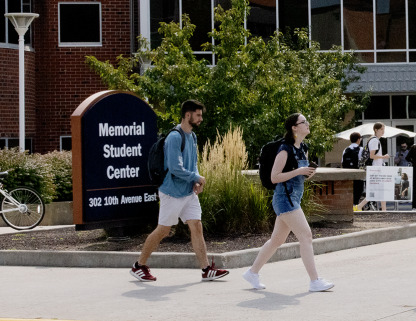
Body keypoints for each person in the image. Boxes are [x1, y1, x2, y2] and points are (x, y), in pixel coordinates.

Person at [130, 100, 228, 282]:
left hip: (188, 193)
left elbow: (193, 164)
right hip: (172, 192)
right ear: (188, 115)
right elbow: (175, 168)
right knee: (163, 231)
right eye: (198, 115)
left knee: (196, 226)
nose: (201, 119)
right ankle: (139, 265)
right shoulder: (174, 137)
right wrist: (196, 178)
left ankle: (206, 269)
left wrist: (196, 181)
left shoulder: (192, 137)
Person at [242, 113, 334, 292]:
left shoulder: (302, 148)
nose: (308, 124)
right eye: (304, 122)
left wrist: (307, 173)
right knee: (306, 236)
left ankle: (252, 273)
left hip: (293, 197)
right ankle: (315, 281)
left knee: (276, 240)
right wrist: (299, 170)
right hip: (285, 199)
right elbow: (274, 177)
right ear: (294, 127)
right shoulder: (285, 149)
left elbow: (298, 176)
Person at [357, 122, 391, 211]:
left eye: (383, 129)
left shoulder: (373, 139)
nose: (383, 131)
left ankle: (383, 209)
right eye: (381, 129)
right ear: (376, 130)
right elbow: (371, 156)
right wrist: (384, 157)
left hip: (375, 169)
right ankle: (360, 206)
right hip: (375, 169)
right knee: (377, 191)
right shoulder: (375, 140)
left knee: (380, 191)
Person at [343, 132, 364, 207]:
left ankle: (349, 205)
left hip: (347, 174)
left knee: (349, 190)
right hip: (357, 174)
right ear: (358, 139)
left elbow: (343, 162)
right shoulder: (361, 149)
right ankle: (355, 205)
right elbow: (362, 162)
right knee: (358, 191)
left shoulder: (346, 149)